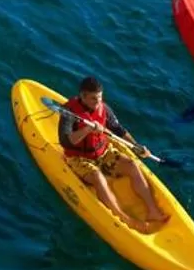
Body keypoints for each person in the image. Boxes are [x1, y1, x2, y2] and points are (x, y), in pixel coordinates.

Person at [59, 77, 169, 231]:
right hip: (79, 159)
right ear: (82, 96)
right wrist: (87, 129)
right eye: (94, 99)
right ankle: (126, 220)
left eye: (100, 97)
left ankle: (153, 211)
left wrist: (137, 147)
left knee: (131, 165)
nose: (98, 102)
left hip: (103, 153)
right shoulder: (69, 112)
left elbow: (119, 130)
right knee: (98, 176)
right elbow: (65, 141)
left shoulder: (104, 109)